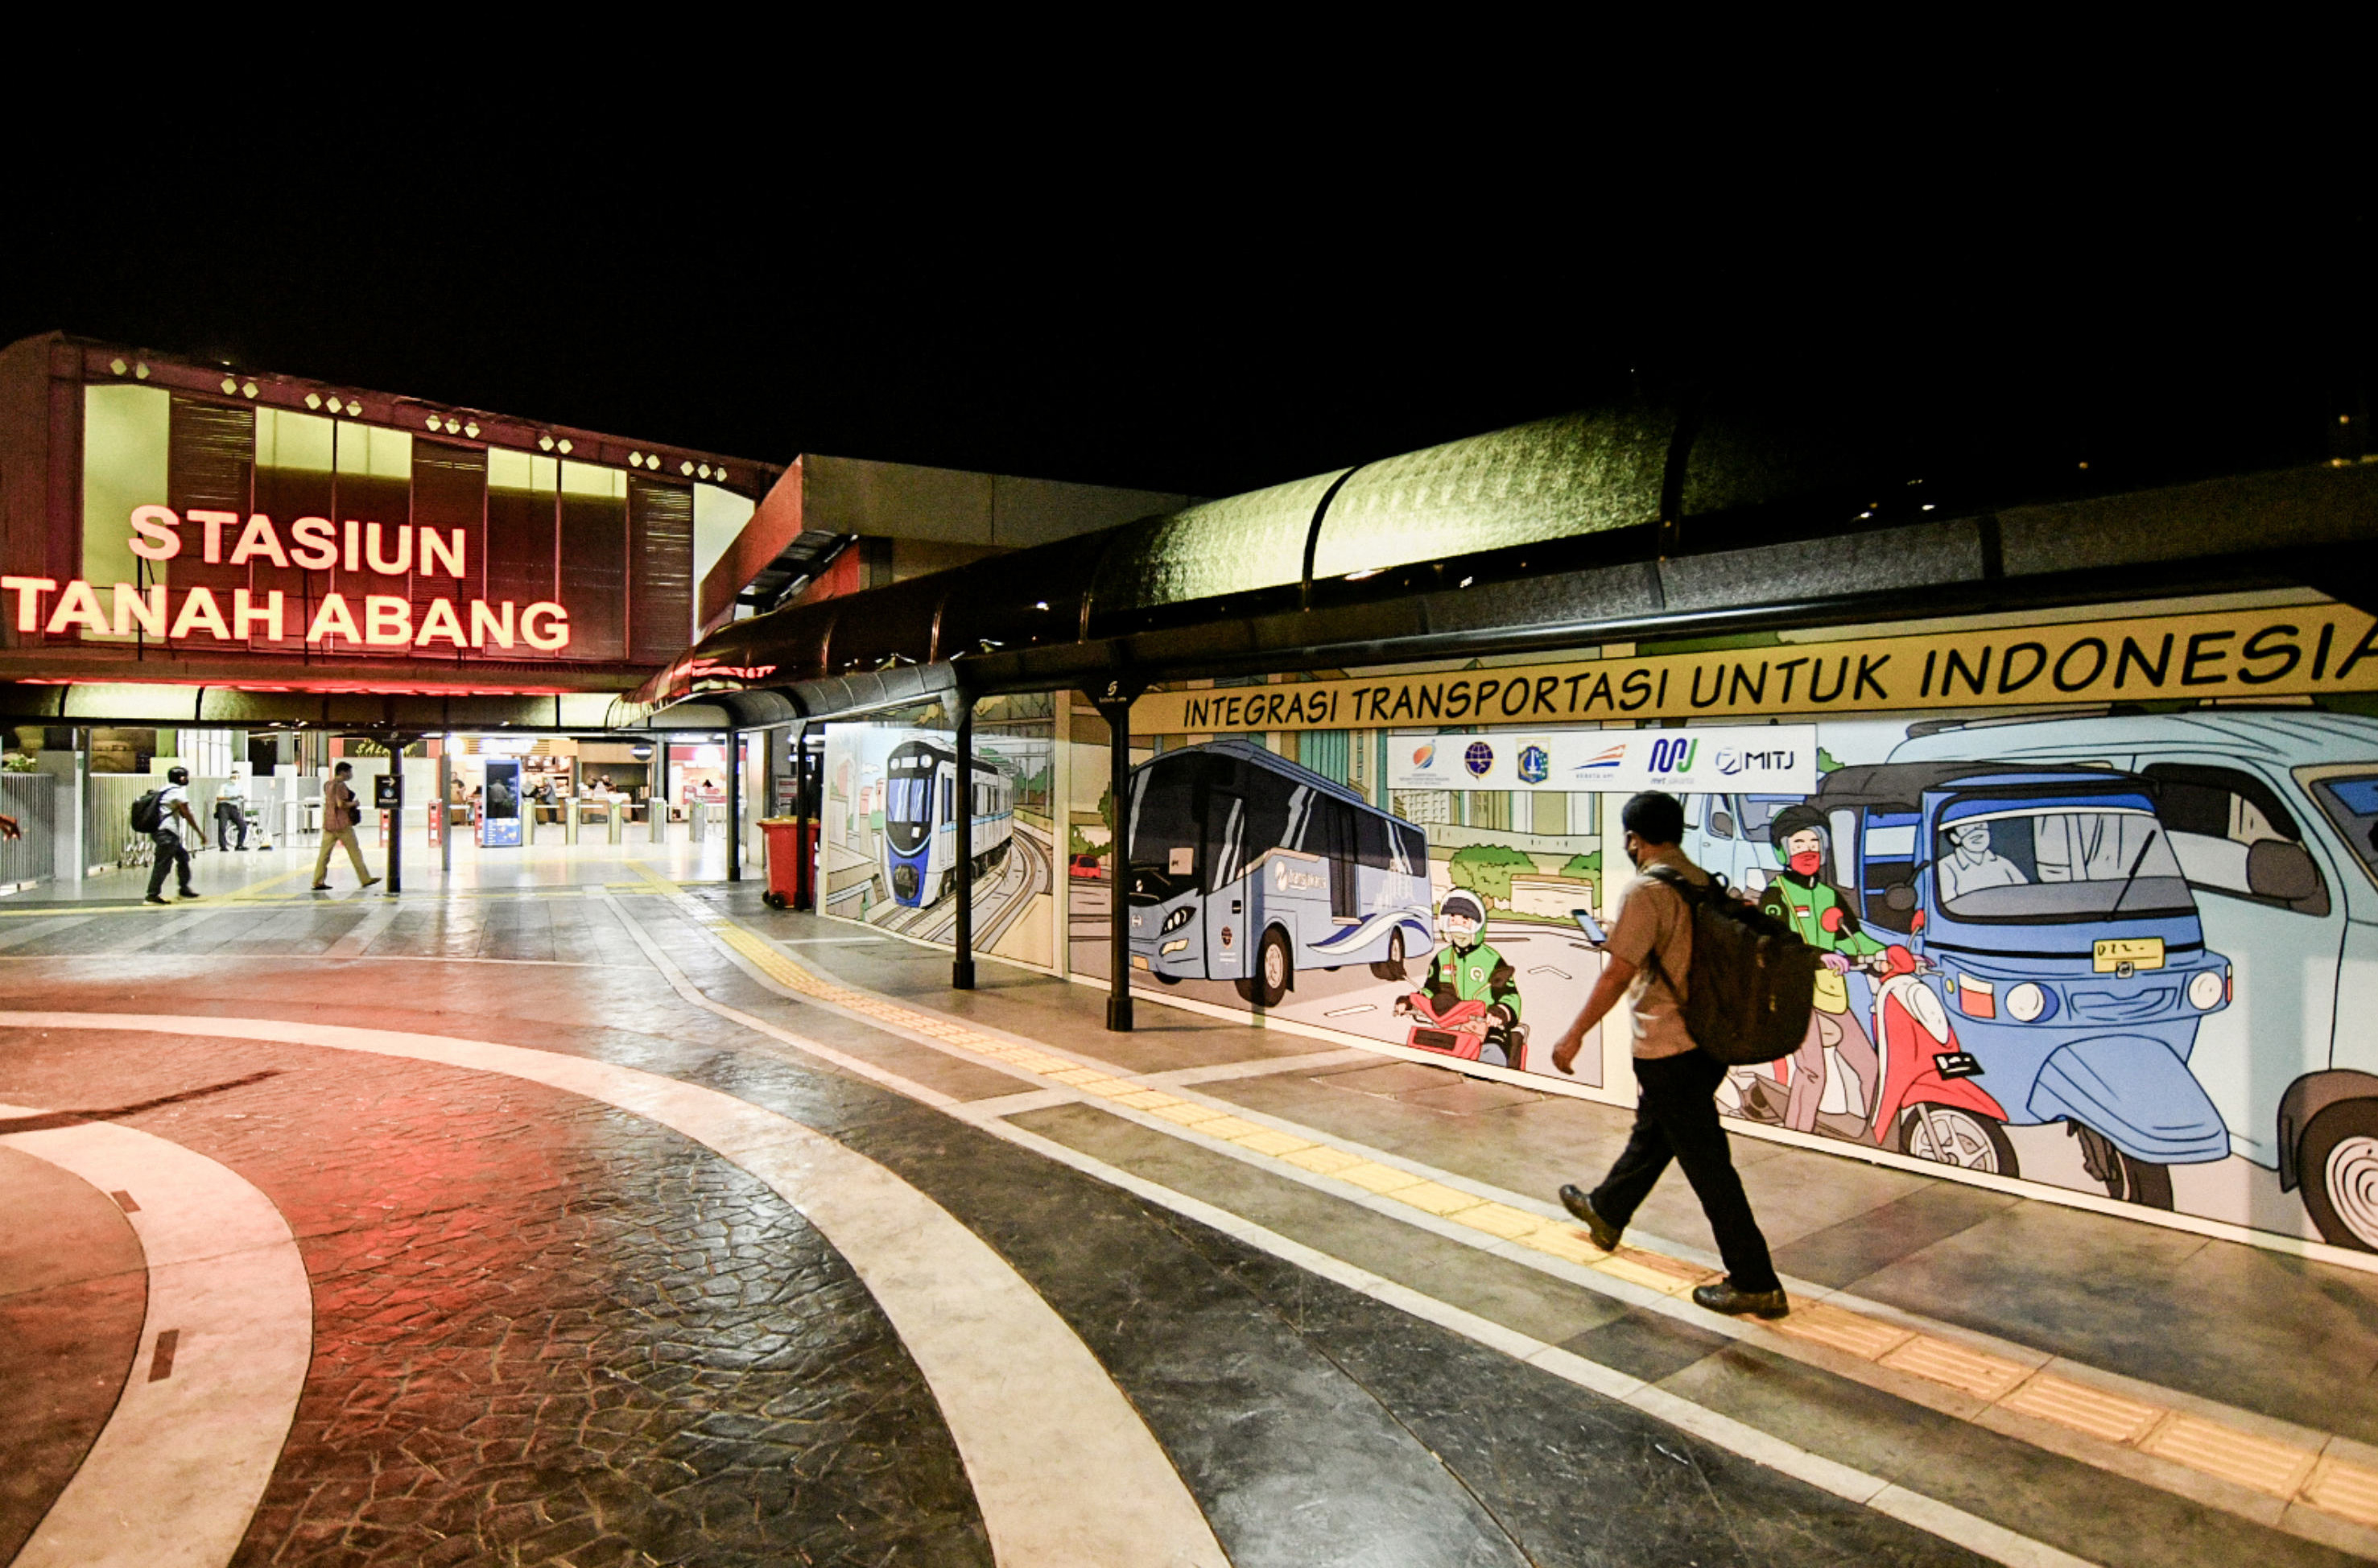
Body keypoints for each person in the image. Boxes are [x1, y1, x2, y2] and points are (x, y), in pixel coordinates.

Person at [1548, 790, 1788, 1319]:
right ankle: (1607, 1211)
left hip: (1668, 1044)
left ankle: (1756, 1281)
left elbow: (1618, 972)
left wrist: (1574, 1035)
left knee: (1708, 1164)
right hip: (1708, 1042)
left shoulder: (1646, 890)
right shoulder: (1701, 881)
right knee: (1654, 1133)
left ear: (1634, 838)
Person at [1395, 887, 1523, 1066]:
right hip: (1449, 1024)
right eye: (1453, 919)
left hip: (1486, 1026)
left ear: (1477, 924)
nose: (1458, 925)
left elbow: (1511, 995)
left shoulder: (1491, 959)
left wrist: (1500, 1011)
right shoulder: (1442, 958)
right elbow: (1430, 990)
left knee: (1491, 1057)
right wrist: (1410, 1001)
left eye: (1465, 920)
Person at [312, 761, 381, 892]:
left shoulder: (328, 784)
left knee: (324, 855)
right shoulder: (341, 786)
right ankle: (365, 878)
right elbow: (341, 804)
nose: (351, 775)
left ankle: (317, 881)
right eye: (349, 772)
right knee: (355, 852)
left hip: (329, 824)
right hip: (343, 825)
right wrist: (354, 803)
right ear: (343, 772)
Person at [146, 765, 205, 904]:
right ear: (182, 778)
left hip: (161, 831)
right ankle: (152, 895)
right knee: (163, 864)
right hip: (166, 833)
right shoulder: (178, 792)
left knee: (183, 857)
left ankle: (184, 888)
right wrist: (200, 833)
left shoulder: (164, 789)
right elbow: (187, 813)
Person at [1938, 818, 2026, 904]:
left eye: (1981, 826)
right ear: (1955, 838)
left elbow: (2024, 893)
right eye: (1966, 829)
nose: (1977, 834)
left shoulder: (2003, 863)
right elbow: (1948, 903)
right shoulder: (1946, 866)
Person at [215, 774, 252, 850]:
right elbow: (219, 798)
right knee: (222, 826)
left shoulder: (240, 787)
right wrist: (230, 798)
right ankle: (223, 846)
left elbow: (245, 797)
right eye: (233, 777)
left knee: (243, 826)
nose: (234, 779)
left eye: (236, 777)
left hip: (234, 807)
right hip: (224, 806)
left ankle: (239, 845)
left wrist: (242, 797)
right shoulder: (224, 786)